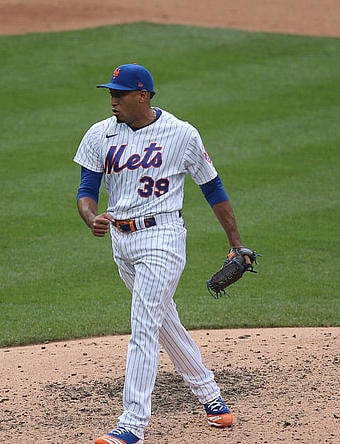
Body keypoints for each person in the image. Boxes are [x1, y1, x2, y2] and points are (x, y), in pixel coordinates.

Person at [74, 63, 253, 444]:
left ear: (143, 95)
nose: (112, 100)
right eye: (110, 93)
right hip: (121, 242)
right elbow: (86, 189)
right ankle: (212, 398)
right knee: (163, 321)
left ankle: (132, 424)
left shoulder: (181, 133)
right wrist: (91, 217)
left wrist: (236, 241)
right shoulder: (99, 134)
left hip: (163, 238)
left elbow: (213, 188)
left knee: (143, 326)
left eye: (119, 94)